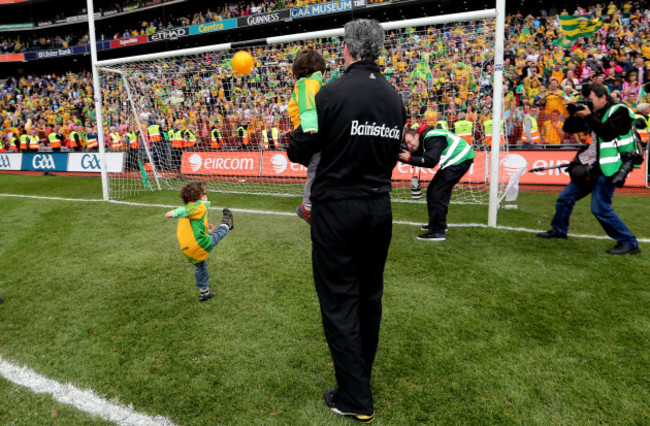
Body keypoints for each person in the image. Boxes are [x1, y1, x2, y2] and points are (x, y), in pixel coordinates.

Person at [288, 18, 406, 423]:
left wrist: (296, 133)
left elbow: (302, 150)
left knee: (339, 300)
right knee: (369, 299)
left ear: (348, 49)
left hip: (339, 209)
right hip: (379, 208)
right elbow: (390, 155)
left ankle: (355, 397)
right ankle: (359, 381)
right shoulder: (394, 99)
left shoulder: (330, 93)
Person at [536, 84, 641, 255]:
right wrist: (575, 114)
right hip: (591, 166)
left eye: (590, 98)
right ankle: (559, 230)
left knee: (600, 208)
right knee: (564, 198)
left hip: (609, 167)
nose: (588, 102)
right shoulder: (594, 113)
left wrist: (589, 116)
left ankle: (629, 242)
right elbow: (568, 129)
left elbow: (608, 133)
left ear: (603, 98)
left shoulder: (620, 110)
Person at [399, 125, 475, 241]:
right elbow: (418, 156)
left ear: (416, 135)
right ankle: (437, 225)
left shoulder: (431, 137)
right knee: (433, 190)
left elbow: (430, 161)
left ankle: (438, 232)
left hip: (460, 159)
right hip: (456, 160)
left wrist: (408, 158)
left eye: (410, 142)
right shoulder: (427, 138)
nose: (409, 146)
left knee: (437, 193)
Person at [165, 182, 235, 301]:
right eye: (205, 193)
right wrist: (173, 213)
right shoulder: (198, 206)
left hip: (187, 249)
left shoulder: (192, 212)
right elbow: (183, 210)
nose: (206, 195)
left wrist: (206, 227)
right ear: (200, 196)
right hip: (200, 244)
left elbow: (193, 226)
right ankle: (227, 224)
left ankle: (205, 293)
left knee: (201, 267)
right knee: (217, 234)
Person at [287, 48, 326, 224]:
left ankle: (316, 202)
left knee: (319, 165)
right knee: (317, 165)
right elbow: (308, 105)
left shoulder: (311, 83)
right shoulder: (308, 84)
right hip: (308, 131)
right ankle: (308, 205)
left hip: (307, 131)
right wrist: (310, 126)